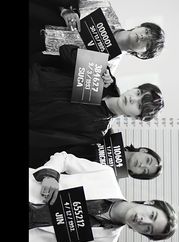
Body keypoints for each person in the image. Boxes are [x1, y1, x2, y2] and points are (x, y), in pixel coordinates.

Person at [29, 152, 177, 242]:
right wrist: (50, 175)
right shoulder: (106, 176)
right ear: (149, 203)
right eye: (152, 215)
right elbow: (65, 159)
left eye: (148, 229)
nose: (143, 220)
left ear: (142, 233)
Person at [29, 44, 164, 154]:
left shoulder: (97, 132)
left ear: (135, 117)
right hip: (34, 78)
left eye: (139, 106)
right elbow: (65, 50)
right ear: (134, 88)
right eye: (138, 92)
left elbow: (50, 138)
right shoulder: (105, 73)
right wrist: (97, 69)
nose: (133, 99)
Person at [29, 0, 165, 73]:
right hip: (39, 17)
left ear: (141, 55)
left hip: (40, 54)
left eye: (147, 44)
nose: (143, 37)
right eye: (146, 32)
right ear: (140, 26)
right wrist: (67, 9)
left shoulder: (109, 66)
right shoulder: (104, 7)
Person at [29, 130, 163, 180]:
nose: (142, 164)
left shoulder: (109, 179)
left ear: (135, 173)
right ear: (143, 150)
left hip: (44, 169)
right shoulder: (108, 131)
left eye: (144, 170)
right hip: (46, 141)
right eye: (147, 161)